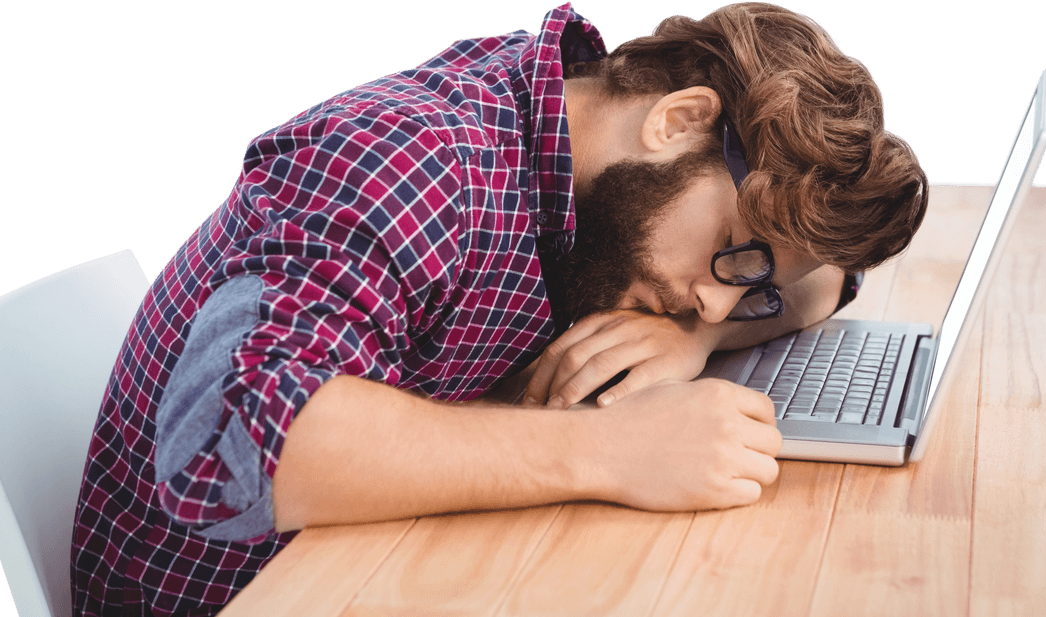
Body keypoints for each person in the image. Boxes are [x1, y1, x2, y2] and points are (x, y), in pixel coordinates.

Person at [70, 2, 928, 614]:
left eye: (752, 285)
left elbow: (822, 282)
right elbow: (235, 451)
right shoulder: (417, 162)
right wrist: (614, 449)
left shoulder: (588, 168)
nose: (719, 293)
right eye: (733, 254)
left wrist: (693, 333)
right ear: (678, 120)